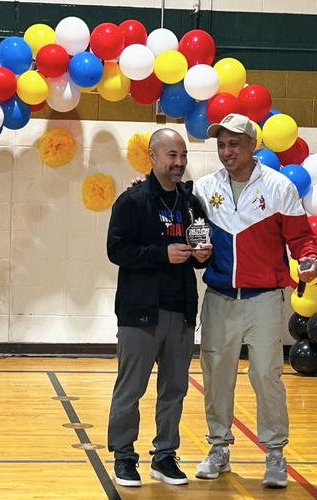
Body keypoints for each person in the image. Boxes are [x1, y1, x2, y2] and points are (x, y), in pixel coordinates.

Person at [191, 114, 317, 488]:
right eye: (221, 145)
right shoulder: (203, 188)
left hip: (264, 298)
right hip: (218, 297)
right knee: (216, 375)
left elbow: (301, 239)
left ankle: (275, 454)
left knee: (266, 375)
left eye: (234, 144)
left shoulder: (279, 187)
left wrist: (309, 260)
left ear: (253, 146)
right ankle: (219, 448)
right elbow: (189, 222)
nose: (226, 151)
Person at [105, 128, 213, 487]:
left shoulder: (191, 202)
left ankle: (164, 456)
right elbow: (116, 251)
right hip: (139, 313)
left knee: (174, 389)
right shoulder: (132, 201)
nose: (179, 163)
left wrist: (202, 255)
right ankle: (124, 456)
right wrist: (159, 253)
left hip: (181, 312)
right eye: (172, 156)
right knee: (130, 388)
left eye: (183, 156)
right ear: (152, 157)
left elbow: (199, 248)